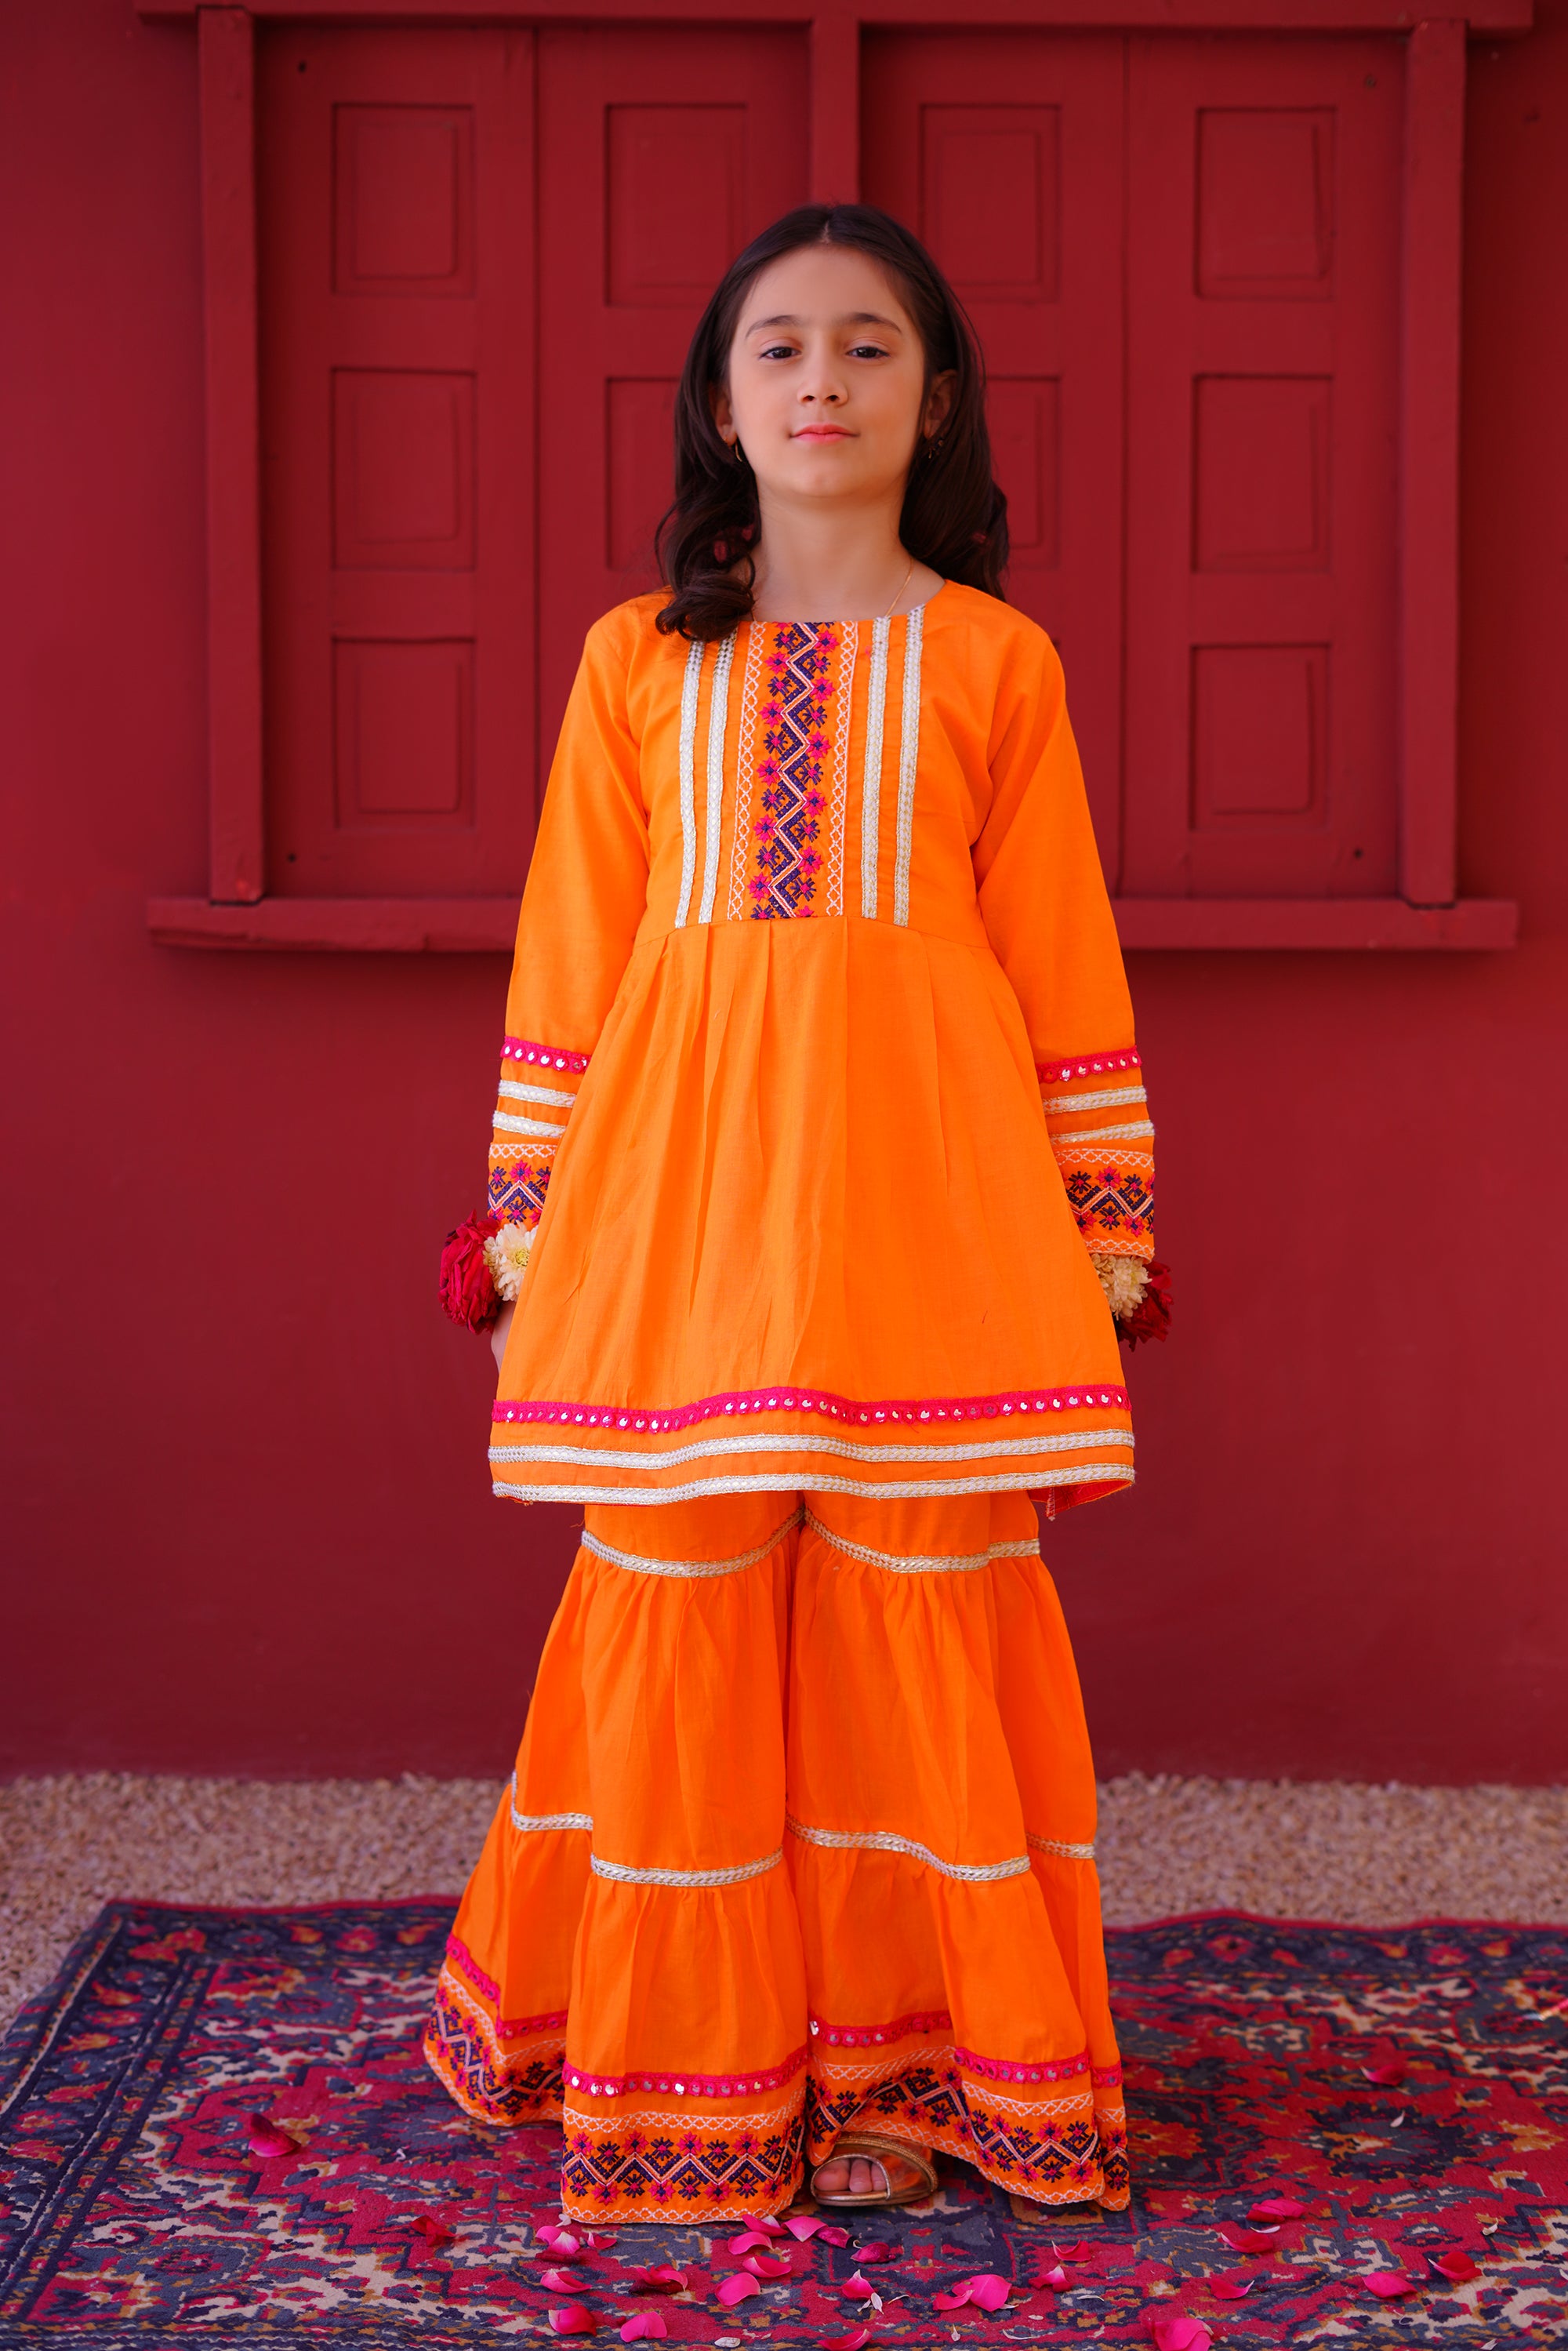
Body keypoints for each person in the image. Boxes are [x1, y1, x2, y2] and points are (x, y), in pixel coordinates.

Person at [426, 202, 1162, 2227]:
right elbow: (571, 959)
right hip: (678, 1213)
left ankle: (916, 2077)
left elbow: (1061, 959)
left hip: (933, 1211)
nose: (822, 380)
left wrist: (1104, 1217)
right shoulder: (635, 663)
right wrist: (525, 1225)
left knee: (917, 1604)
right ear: (720, 402)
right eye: (780, 347)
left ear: (936, 399)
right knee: (674, 1591)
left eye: (867, 345)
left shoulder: (998, 662)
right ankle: (679, 2069)